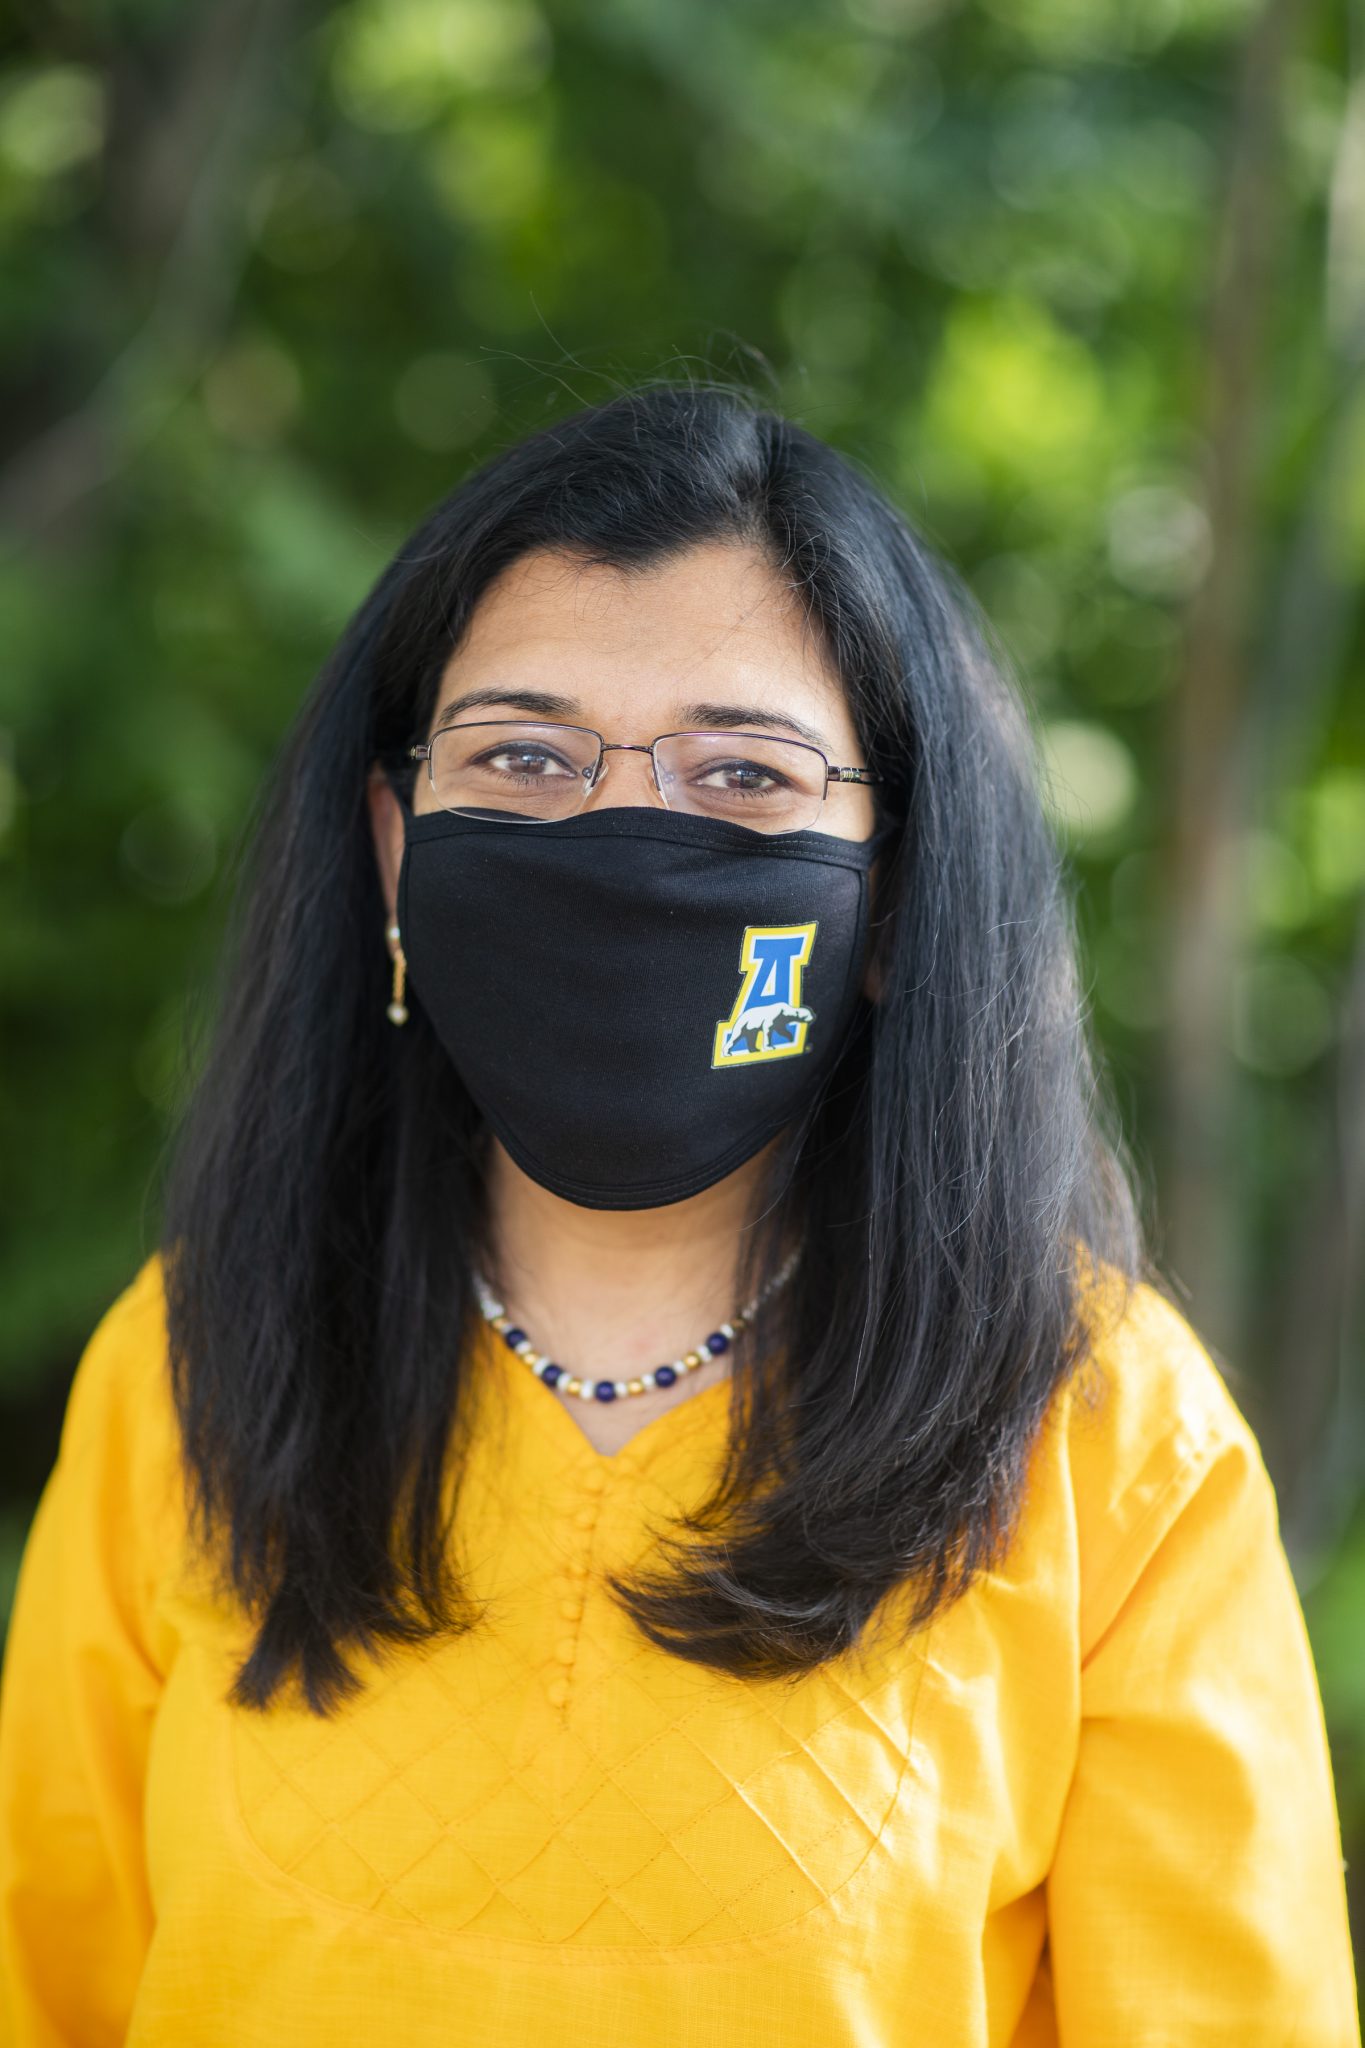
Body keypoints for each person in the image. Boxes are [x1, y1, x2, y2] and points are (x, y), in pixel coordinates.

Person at [0, 382, 1357, 2045]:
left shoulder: (1107, 1440)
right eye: (522, 756)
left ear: (894, 889)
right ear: (394, 847)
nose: (622, 839)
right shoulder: (194, 1366)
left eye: (742, 774)